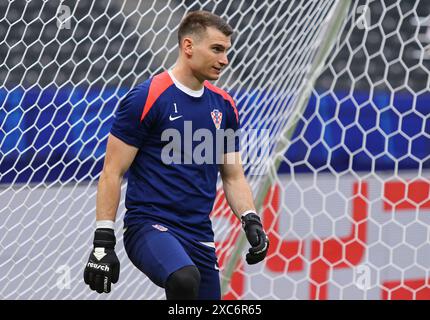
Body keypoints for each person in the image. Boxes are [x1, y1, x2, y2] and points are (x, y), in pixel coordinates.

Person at [83, 10, 269, 300]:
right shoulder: (147, 97)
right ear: (188, 47)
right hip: (149, 226)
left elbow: (232, 176)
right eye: (217, 49)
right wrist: (103, 242)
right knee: (184, 279)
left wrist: (250, 218)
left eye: (227, 51)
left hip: (199, 233)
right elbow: (112, 172)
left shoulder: (225, 106)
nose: (225, 60)